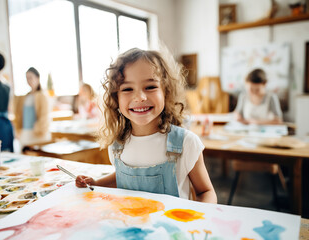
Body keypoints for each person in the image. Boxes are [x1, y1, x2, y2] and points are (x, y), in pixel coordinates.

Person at [75, 48, 217, 203]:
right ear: (116, 98)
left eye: (150, 87)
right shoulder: (117, 145)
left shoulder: (186, 143)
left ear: (166, 92)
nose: (140, 97)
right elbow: (125, 177)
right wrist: (96, 183)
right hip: (129, 225)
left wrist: (201, 219)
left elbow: (205, 191)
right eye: (127, 89)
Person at [13, 67, 51, 149]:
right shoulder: (25, 97)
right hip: (26, 132)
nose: (29, 80)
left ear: (37, 78)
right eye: (27, 78)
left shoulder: (42, 96)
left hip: (38, 133)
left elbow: (44, 115)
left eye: (31, 77)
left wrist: (38, 127)